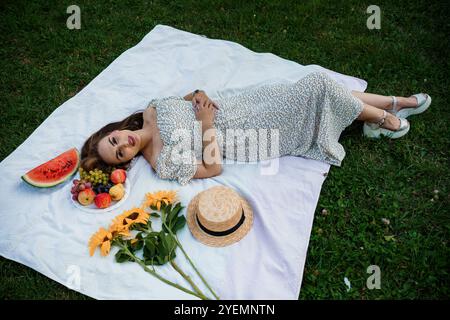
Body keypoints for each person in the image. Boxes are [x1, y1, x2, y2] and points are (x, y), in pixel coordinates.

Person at [81, 71, 431, 185]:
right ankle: (386, 118)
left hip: (241, 103)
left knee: (315, 93)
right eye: (120, 153)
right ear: (125, 162)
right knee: (317, 87)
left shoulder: (151, 109)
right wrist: (205, 123)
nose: (124, 144)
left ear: (114, 129)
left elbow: (188, 97)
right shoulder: (161, 162)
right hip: (245, 133)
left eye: (114, 140)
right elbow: (213, 166)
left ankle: (391, 103)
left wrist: (199, 96)